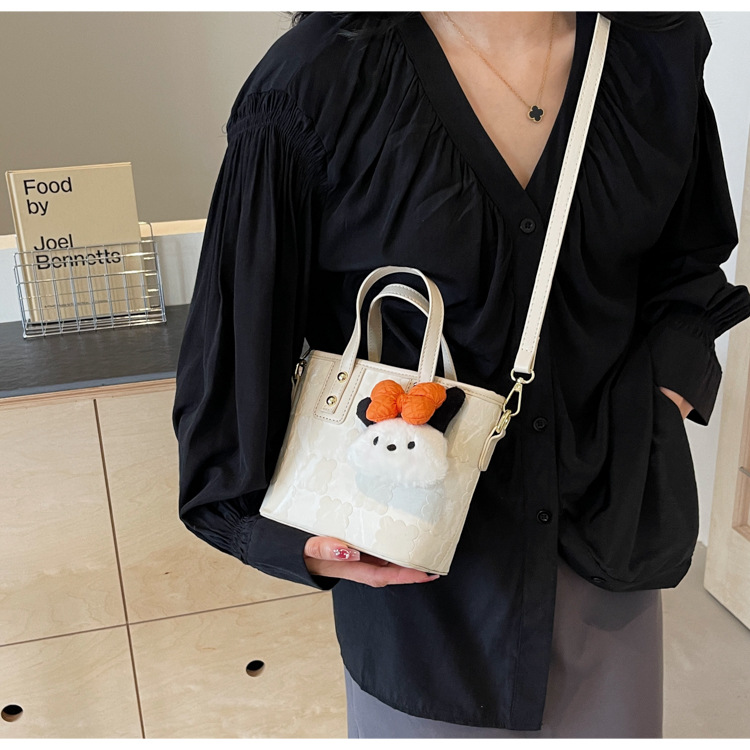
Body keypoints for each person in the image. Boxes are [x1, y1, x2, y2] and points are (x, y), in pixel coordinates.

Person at [172, 11, 750, 738]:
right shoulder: (315, 80)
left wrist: (663, 402)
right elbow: (238, 341)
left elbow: (687, 262)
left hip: (611, 537)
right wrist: (282, 535)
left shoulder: (651, 50)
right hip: (420, 586)